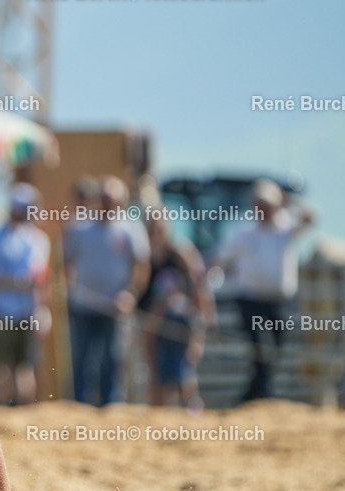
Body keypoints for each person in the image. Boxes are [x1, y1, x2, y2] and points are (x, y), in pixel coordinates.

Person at [218, 180, 313, 402]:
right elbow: (221, 259)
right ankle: (265, 394)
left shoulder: (286, 227)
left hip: (279, 302)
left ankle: (252, 394)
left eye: (268, 204)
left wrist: (290, 200)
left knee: (274, 348)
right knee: (264, 346)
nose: (263, 209)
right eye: (259, 204)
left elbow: (311, 217)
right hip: (251, 300)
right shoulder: (243, 232)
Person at [64, 176, 149, 406]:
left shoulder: (131, 229)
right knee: (82, 358)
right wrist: (69, 287)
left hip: (114, 308)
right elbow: (66, 261)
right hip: (83, 305)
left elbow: (141, 267)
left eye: (111, 200)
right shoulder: (79, 227)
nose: (107, 204)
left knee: (112, 359)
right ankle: (80, 406)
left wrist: (130, 293)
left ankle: (111, 407)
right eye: (103, 199)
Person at [0, 183, 50, 405]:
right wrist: (20, 282)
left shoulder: (38, 238)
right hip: (1, 311)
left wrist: (42, 309)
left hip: (27, 311)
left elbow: (40, 279)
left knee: (24, 367)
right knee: (0, 367)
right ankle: (4, 409)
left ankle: (22, 412)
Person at [139, 214, 215, 411]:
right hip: (153, 325)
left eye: (159, 229)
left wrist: (204, 318)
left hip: (180, 322)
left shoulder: (180, 254)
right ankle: (159, 417)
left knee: (184, 371)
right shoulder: (143, 256)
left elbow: (198, 287)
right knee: (155, 373)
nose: (155, 234)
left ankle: (191, 411)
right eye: (151, 229)